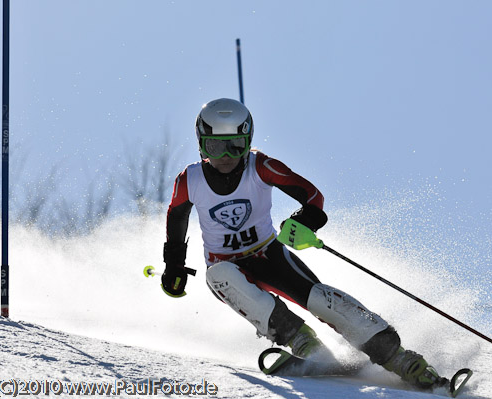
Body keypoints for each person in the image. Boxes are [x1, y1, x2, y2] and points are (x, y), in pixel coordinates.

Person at [161, 98, 446, 389]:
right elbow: (176, 215)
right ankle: (304, 344)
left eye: (235, 145)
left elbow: (312, 196)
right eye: (215, 146)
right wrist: (174, 266)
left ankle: (400, 359)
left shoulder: (260, 166)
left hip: (268, 255)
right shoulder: (190, 179)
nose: (225, 156)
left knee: (322, 299)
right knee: (218, 275)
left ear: (248, 141)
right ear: (201, 143)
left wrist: (303, 220)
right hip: (225, 266)